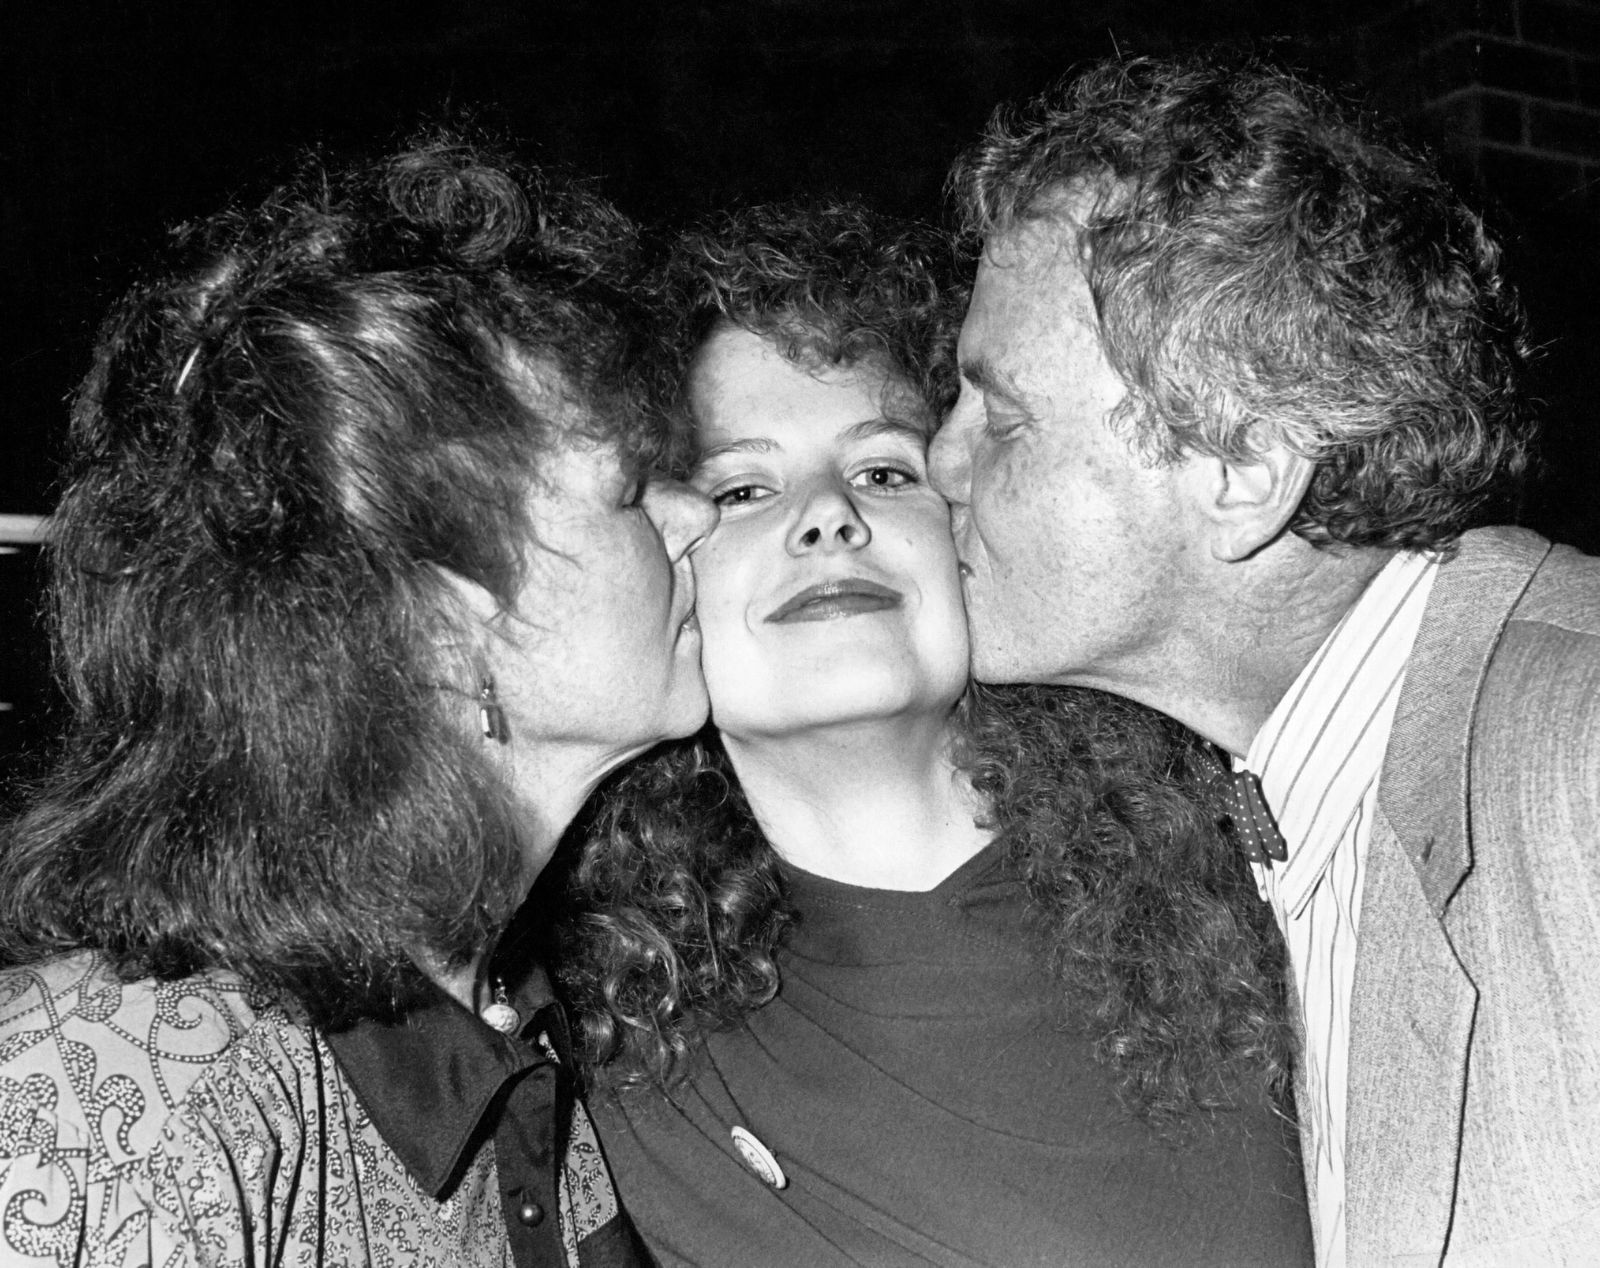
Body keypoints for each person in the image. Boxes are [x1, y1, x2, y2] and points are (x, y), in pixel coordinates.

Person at [929, 52, 1600, 1266]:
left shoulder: (1580, 767)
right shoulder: (1291, 801)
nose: (937, 461)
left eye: (1001, 415)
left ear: (1241, 465)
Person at [0, 135, 716, 1267]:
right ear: (436, 626)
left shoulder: (517, 1027)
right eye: (632, 489)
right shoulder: (116, 1093)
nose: (696, 517)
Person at [554, 202, 1313, 1266]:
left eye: (882, 470)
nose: (827, 516)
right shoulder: (604, 1043)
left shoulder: (1263, 897)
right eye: (741, 486)